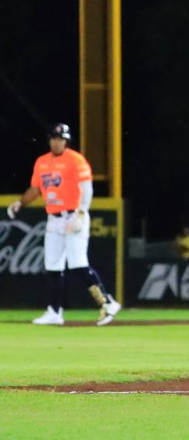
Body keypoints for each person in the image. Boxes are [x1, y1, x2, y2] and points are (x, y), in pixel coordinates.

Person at [6, 123, 122, 326]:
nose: (57, 142)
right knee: (52, 265)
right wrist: (20, 202)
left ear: (67, 141)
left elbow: (86, 188)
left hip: (73, 215)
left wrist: (81, 212)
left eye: (60, 139)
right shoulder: (42, 162)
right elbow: (36, 189)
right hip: (54, 218)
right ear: (49, 140)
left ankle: (108, 301)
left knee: (77, 263)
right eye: (54, 138)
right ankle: (54, 311)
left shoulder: (76, 160)